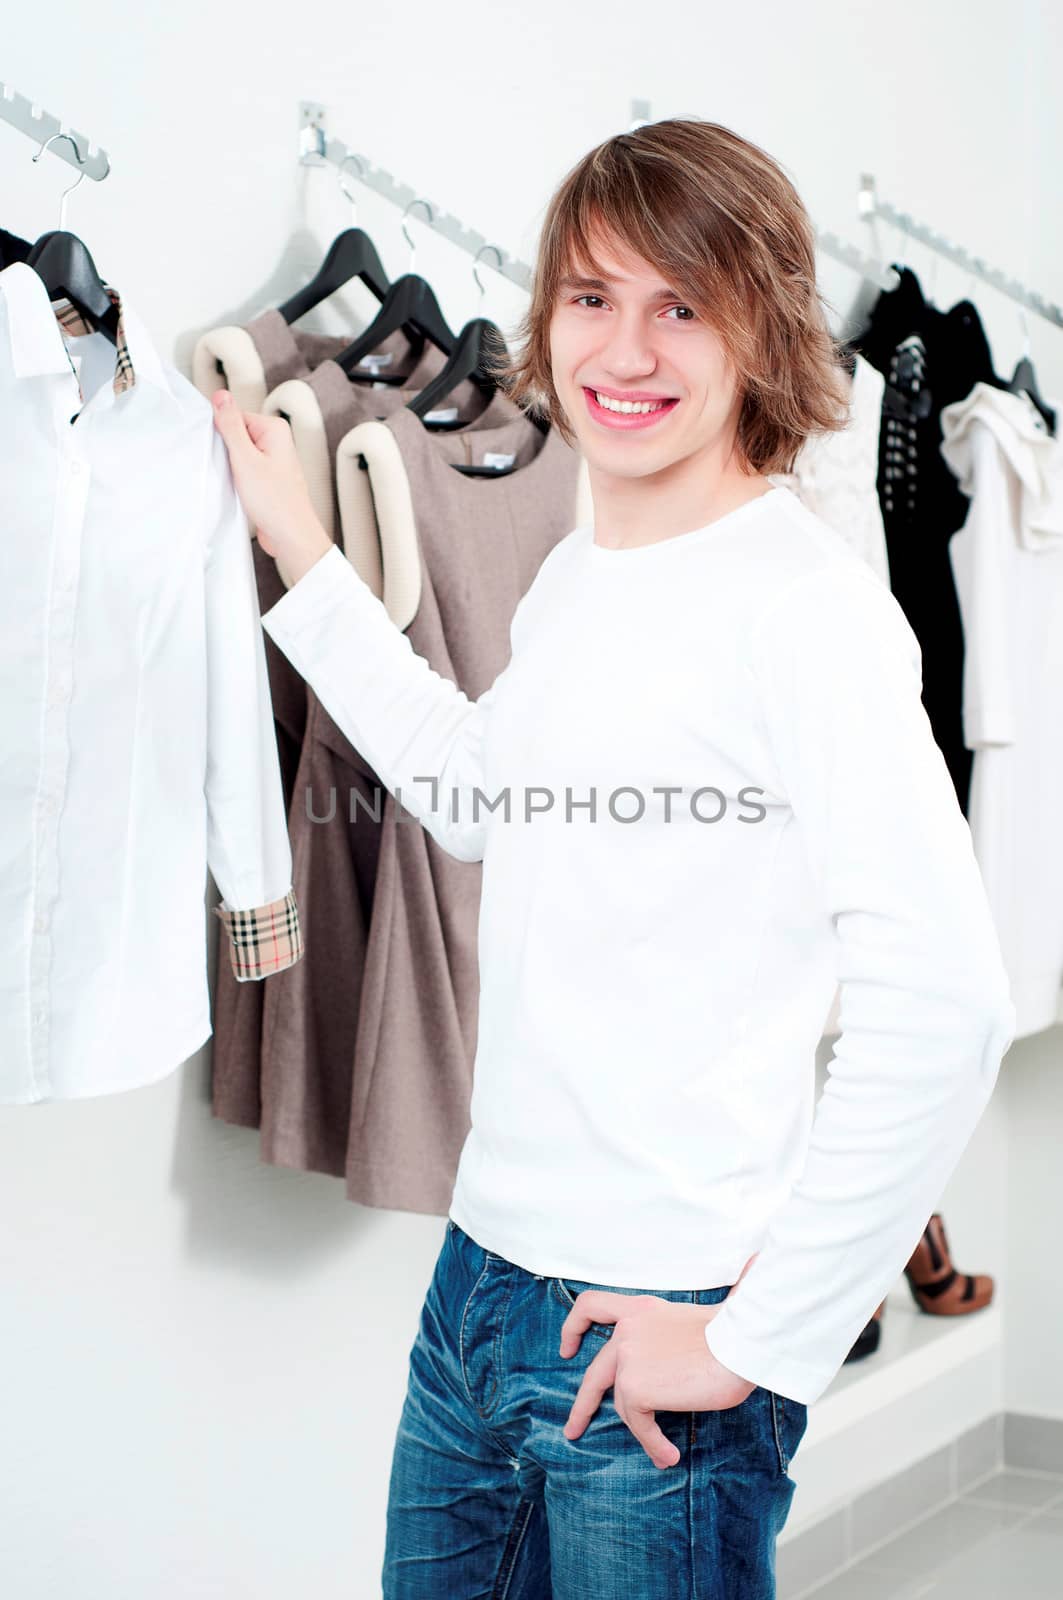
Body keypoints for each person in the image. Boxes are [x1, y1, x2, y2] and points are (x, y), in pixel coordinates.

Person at [210, 117, 1016, 1599]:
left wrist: (754, 1339)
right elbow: (471, 790)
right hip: (477, 1295)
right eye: (593, 297)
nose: (625, 349)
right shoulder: (585, 576)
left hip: (666, 1332)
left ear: (764, 331)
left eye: (681, 304)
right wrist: (299, 548)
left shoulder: (808, 614)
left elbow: (946, 1004)